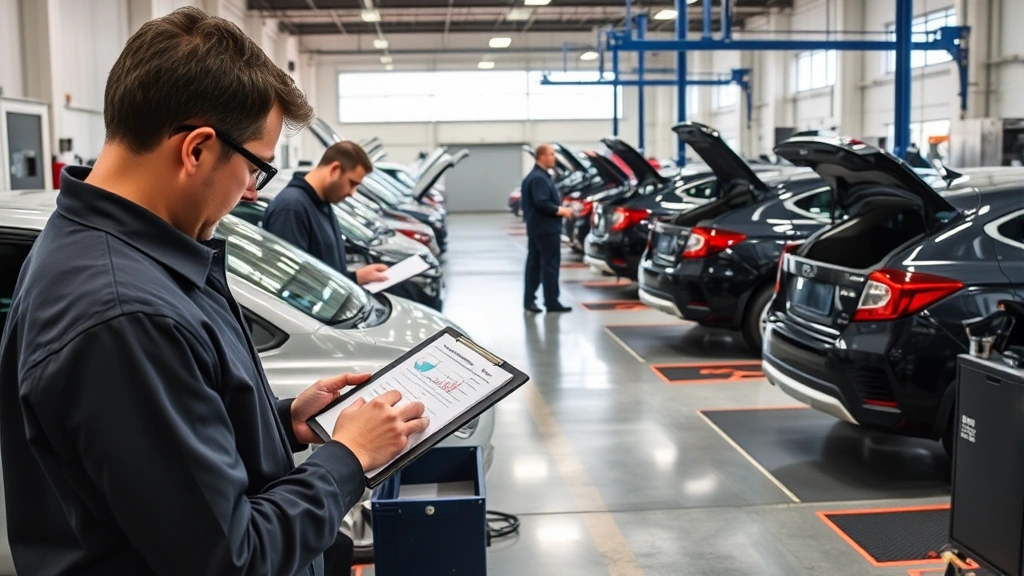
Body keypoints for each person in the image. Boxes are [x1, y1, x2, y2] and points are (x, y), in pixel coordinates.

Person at [0, 8, 428, 576]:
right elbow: (232, 558)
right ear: (197, 149)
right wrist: (347, 457)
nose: (253, 193)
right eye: (256, 168)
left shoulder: (125, 254)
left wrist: (279, 419)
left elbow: (170, 454)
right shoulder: (125, 315)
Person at [262, 141, 389, 285]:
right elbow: (292, 280)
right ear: (335, 169)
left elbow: (325, 270)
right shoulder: (291, 207)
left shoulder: (322, 204)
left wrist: (355, 277)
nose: (352, 192)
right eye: (352, 183)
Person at [521, 144, 573, 313]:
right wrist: (562, 210)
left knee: (534, 265)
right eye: (551, 154)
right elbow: (541, 202)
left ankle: (530, 301)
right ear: (541, 157)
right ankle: (551, 302)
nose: (554, 157)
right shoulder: (539, 178)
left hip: (537, 228)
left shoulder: (537, 176)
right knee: (549, 265)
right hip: (546, 229)